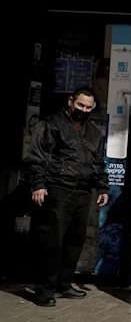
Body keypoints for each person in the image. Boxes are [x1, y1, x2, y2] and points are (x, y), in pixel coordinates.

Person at [22, 87, 109, 307]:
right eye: (81, 105)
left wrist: (102, 187)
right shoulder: (51, 124)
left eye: (89, 107)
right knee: (51, 242)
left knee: (75, 241)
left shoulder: (93, 133)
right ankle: (44, 289)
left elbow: (98, 163)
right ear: (71, 102)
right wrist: (38, 184)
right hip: (58, 190)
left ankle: (64, 284)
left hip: (82, 193)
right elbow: (35, 157)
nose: (84, 110)